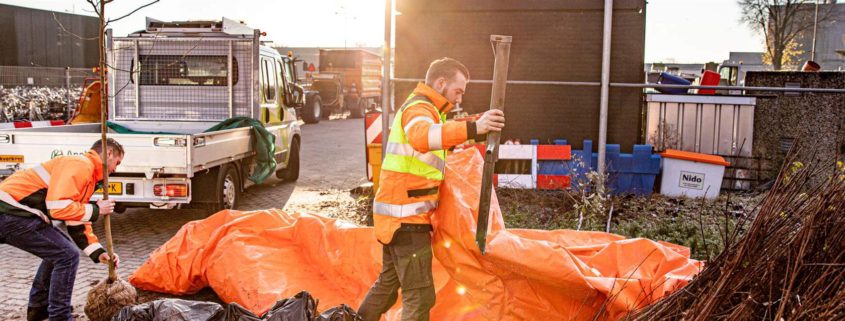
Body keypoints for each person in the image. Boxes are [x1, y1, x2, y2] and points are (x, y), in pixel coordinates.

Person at [358, 58, 505, 321]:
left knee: (388, 287)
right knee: (420, 296)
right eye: (458, 91)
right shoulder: (420, 109)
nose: (459, 99)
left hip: (396, 218)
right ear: (440, 83)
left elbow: (439, 136)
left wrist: (478, 125)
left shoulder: (427, 111)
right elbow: (422, 137)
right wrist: (474, 127)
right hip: (407, 220)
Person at [0, 138, 124, 321]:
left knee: (60, 251)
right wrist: (97, 210)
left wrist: (98, 252)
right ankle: (59, 316)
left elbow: (75, 218)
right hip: (9, 213)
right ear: (109, 153)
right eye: (117, 163)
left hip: (13, 213)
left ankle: (39, 308)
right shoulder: (81, 165)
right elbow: (57, 208)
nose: (115, 169)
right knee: (67, 255)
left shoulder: (87, 173)